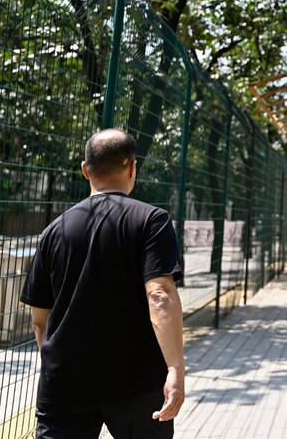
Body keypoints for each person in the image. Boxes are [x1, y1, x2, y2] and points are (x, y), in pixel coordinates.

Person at [20, 129, 185, 439]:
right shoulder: (152, 221)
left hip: (66, 383)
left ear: (85, 170)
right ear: (133, 167)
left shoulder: (54, 231)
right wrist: (175, 368)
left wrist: (59, 366)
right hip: (137, 381)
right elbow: (160, 295)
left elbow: (40, 322)